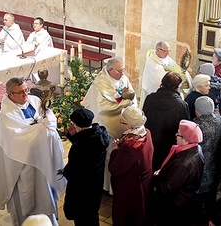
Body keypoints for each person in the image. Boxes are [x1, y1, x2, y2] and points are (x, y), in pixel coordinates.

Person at [0, 77, 66, 225]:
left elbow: (49, 117)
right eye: (20, 92)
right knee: (27, 193)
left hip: (43, 157)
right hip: (24, 163)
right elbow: (19, 138)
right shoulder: (6, 115)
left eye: (26, 89)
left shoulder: (33, 100)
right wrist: (41, 128)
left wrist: (46, 124)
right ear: (10, 94)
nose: (25, 94)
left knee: (45, 191)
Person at [84, 56, 137, 195]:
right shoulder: (100, 84)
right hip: (106, 126)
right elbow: (102, 109)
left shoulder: (122, 78)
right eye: (120, 71)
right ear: (110, 69)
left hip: (123, 124)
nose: (122, 73)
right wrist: (124, 103)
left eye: (123, 70)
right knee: (108, 155)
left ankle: (116, 184)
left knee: (118, 155)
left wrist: (130, 106)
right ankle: (106, 186)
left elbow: (132, 95)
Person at [61, 108, 109, 226]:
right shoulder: (100, 135)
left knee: (82, 218)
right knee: (92, 215)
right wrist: (74, 138)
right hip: (95, 185)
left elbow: (71, 172)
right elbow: (87, 147)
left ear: (76, 126)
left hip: (82, 191)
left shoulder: (80, 147)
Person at [153, 120, 204, 226]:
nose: (175, 135)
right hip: (183, 199)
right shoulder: (196, 148)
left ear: (186, 140)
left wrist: (156, 179)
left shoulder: (184, 164)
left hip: (174, 204)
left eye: (178, 134)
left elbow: (168, 187)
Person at [109, 107, 153, 226]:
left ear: (129, 126)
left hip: (130, 188)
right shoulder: (146, 132)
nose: (119, 122)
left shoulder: (129, 147)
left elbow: (115, 169)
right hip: (144, 182)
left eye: (122, 121)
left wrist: (115, 151)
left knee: (126, 216)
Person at [142, 71, 190, 170]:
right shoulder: (181, 105)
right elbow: (184, 128)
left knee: (149, 167)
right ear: (177, 87)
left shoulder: (150, 98)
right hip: (169, 144)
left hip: (151, 141)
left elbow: (143, 118)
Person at [193, 96, 221, 222]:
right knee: (211, 192)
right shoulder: (219, 120)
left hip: (201, 163)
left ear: (198, 111)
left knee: (199, 195)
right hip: (215, 162)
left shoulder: (197, 126)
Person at [140, 41, 192, 108]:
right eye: (165, 51)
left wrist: (183, 73)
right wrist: (176, 79)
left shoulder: (166, 58)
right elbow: (161, 78)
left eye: (169, 51)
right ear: (158, 50)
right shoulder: (151, 62)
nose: (167, 53)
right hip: (158, 97)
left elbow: (176, 68)